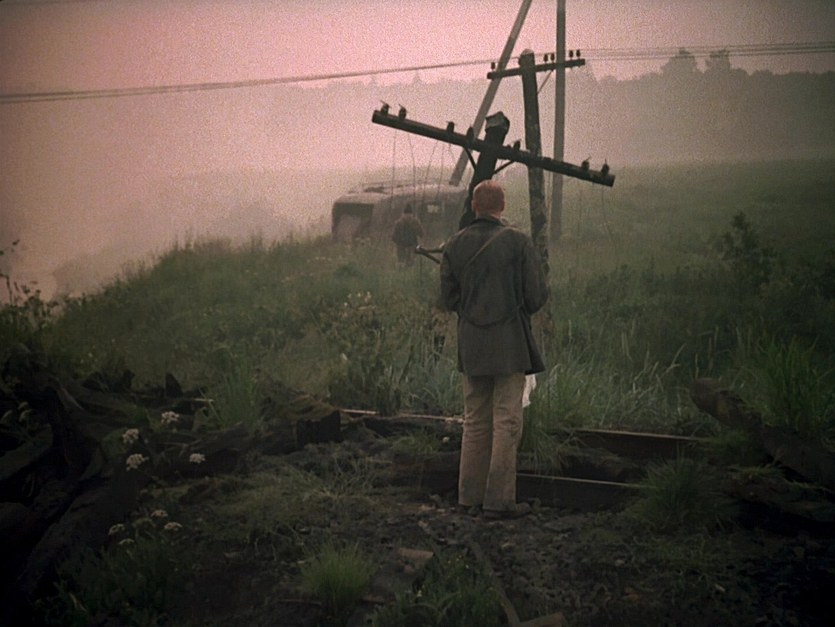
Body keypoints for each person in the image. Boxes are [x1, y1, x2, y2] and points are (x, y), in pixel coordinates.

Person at [439, 180, 548, 520]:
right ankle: (499, 501)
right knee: (507, 421)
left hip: (472, 344)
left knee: (474, 420)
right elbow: (535, 298)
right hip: (510, 344)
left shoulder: (454, 244)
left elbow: (448, 299)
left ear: (474, 206)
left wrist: (473, 312)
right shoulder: (518, 242)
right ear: (502, 207)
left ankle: (469, 497)